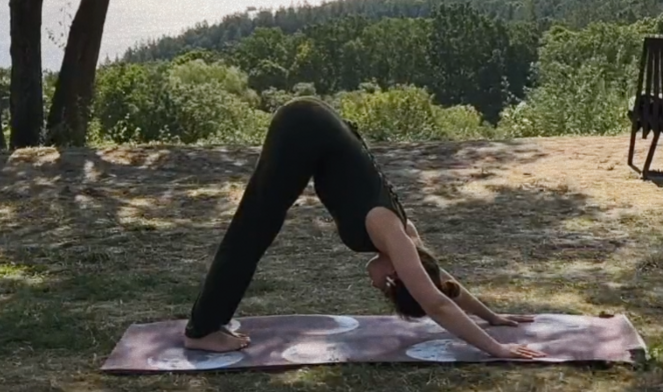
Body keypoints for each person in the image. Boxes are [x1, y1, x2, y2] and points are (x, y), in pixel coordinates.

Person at [183, 97, 544, 359]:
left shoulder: (408, 241)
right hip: (305, 128)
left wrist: (491, 316)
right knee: (252, 230)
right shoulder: (391, 232)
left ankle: (208, 323)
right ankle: (201, 331)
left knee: (256, 229)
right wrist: (496, 349)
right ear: (397, 274)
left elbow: (439, 283)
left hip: (316, 127)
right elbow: (435, 303)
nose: (376, 284)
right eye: (387, 286)